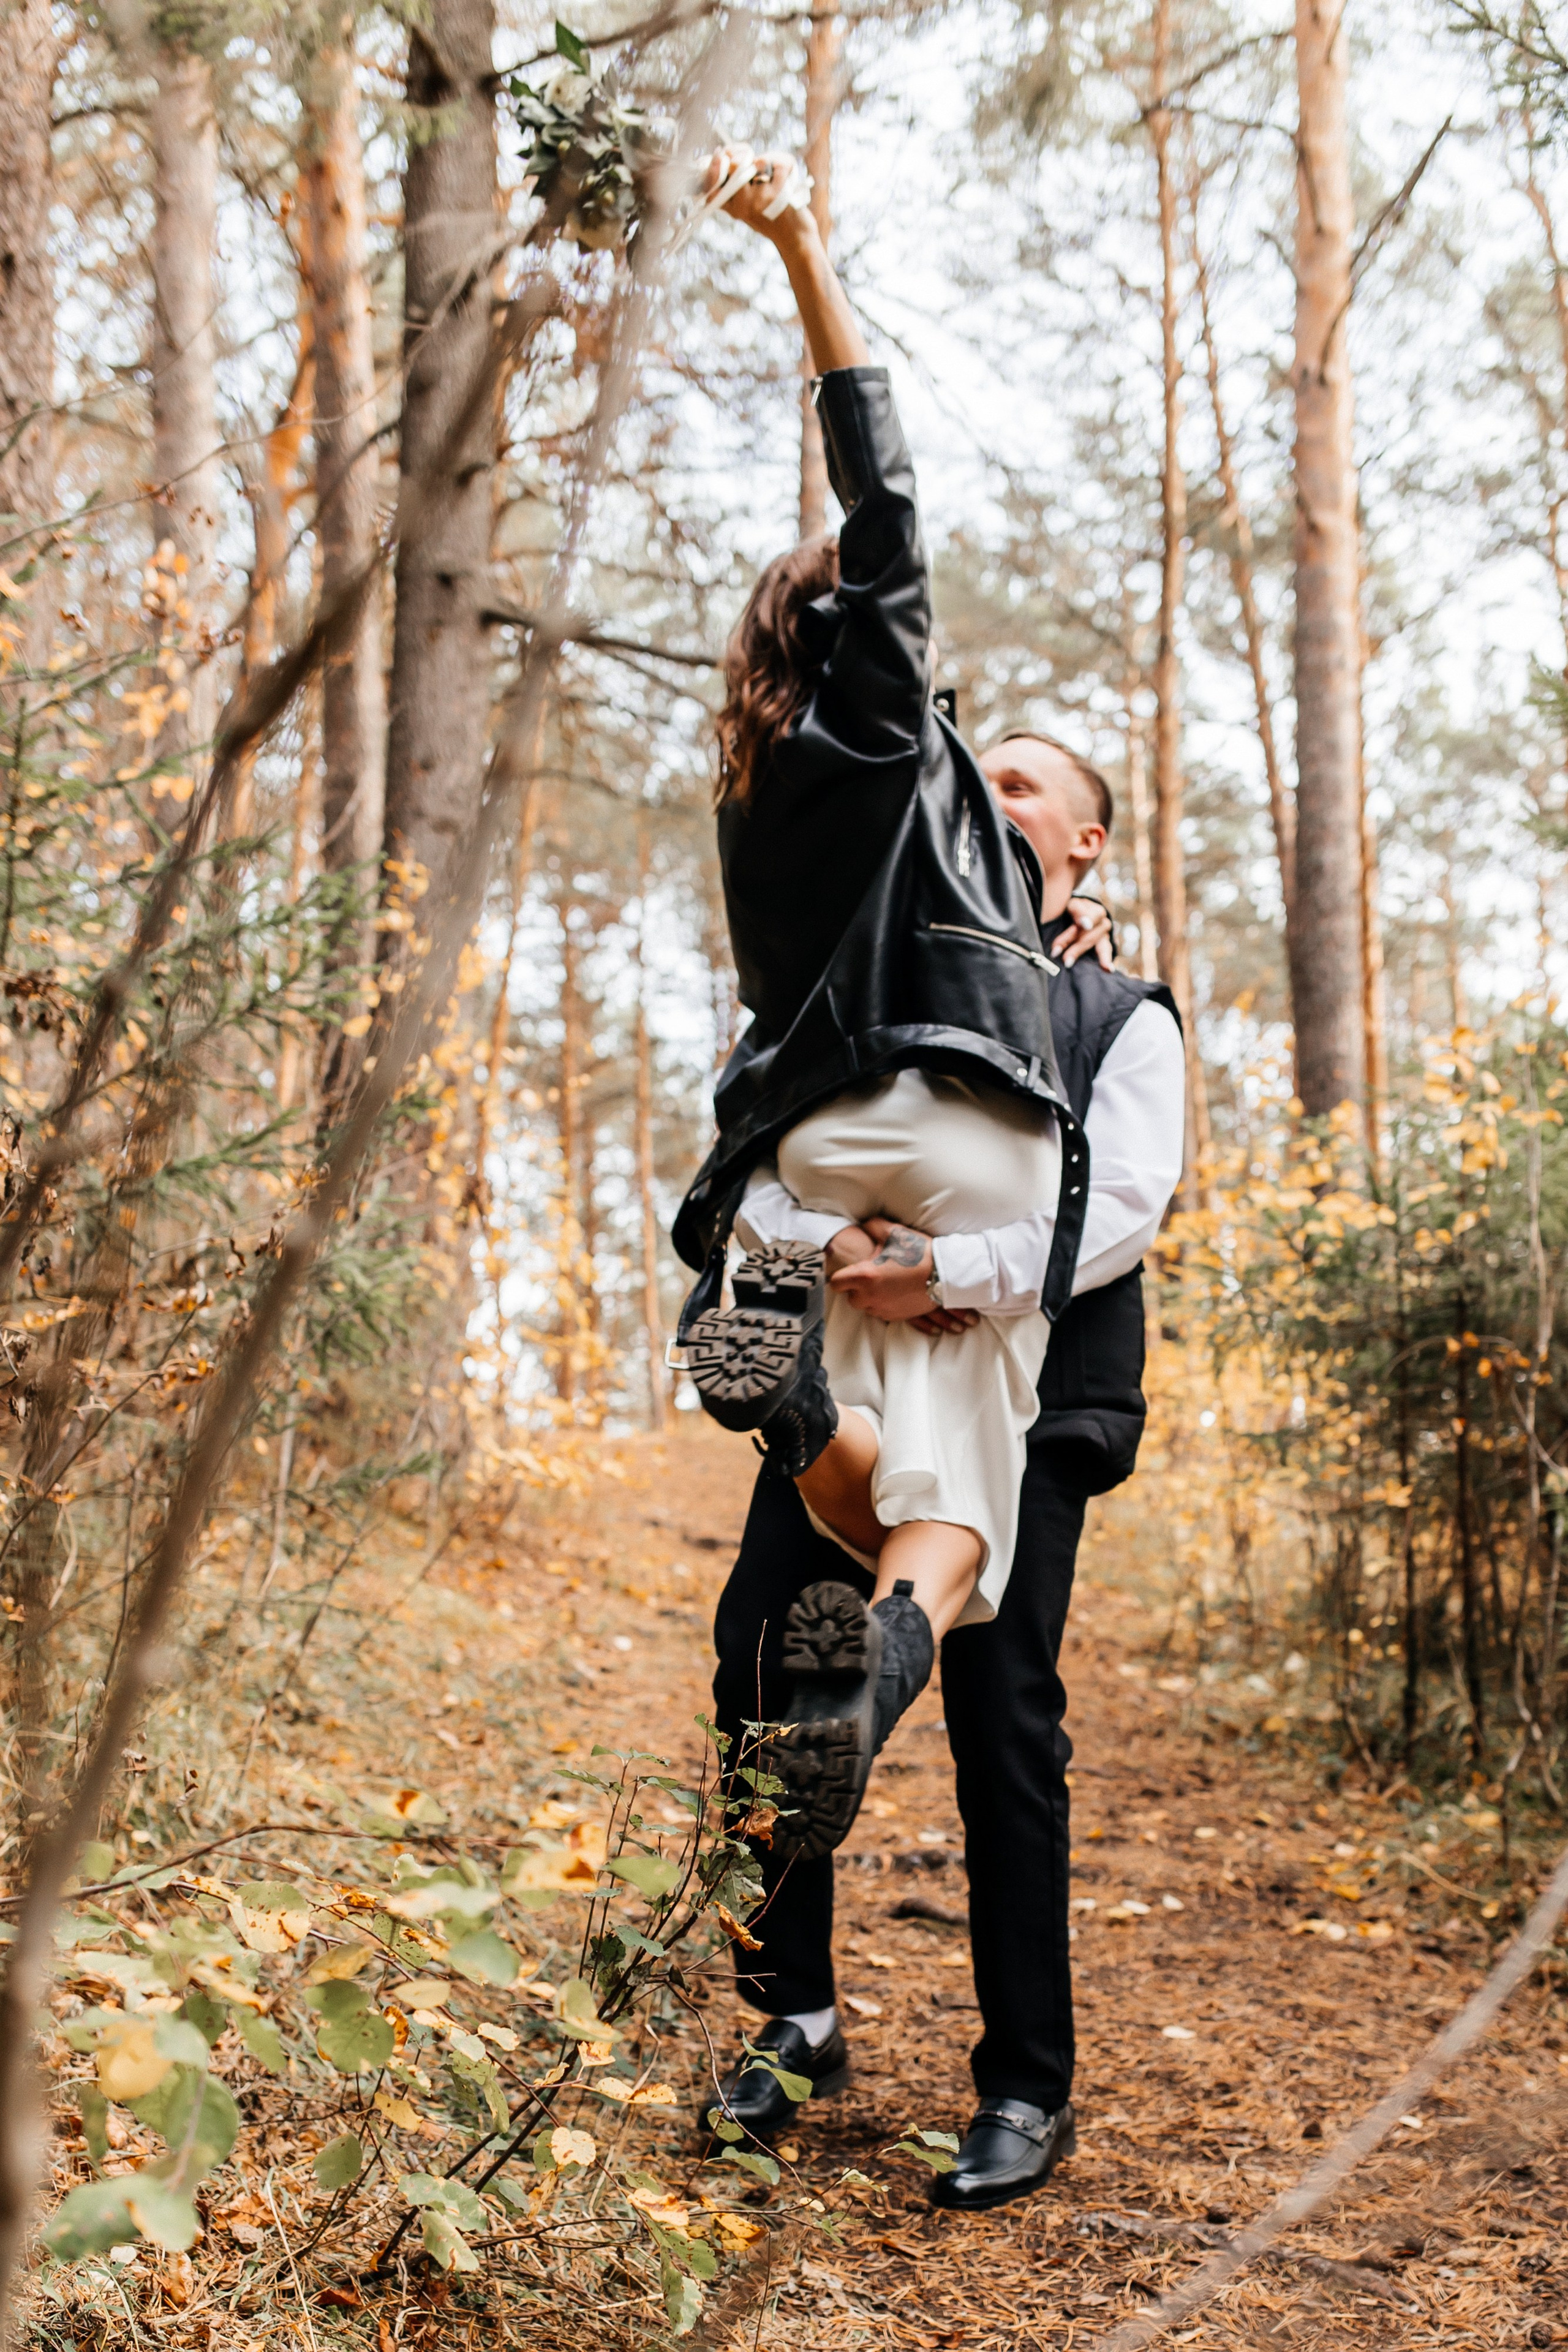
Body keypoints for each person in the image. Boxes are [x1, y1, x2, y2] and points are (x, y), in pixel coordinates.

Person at [673, 149, 1108, 1869]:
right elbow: (885, 467)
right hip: (979, 1131)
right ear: (864, 628)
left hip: (824, 1142)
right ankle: (885, 1643)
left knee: (858, 1471)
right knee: (971, 1487)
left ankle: (801, 1433)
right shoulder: (887, 721)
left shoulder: (756, 791)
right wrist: (797, 244)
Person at [706, 728, 1186, 2212]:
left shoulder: (1118, 1014)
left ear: (1086, 845)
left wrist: (951, 1271)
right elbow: (769, 1157)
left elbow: (1118, 1205)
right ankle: (792, 2019)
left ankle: (1025, 2082)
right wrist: (829, 1251)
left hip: (1028, 1397)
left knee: (1002, 1724)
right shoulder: (864, 977)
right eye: (988, 778)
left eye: (1029, 783)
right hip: (845, 1372)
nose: (996, 795)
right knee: (751, 1670)